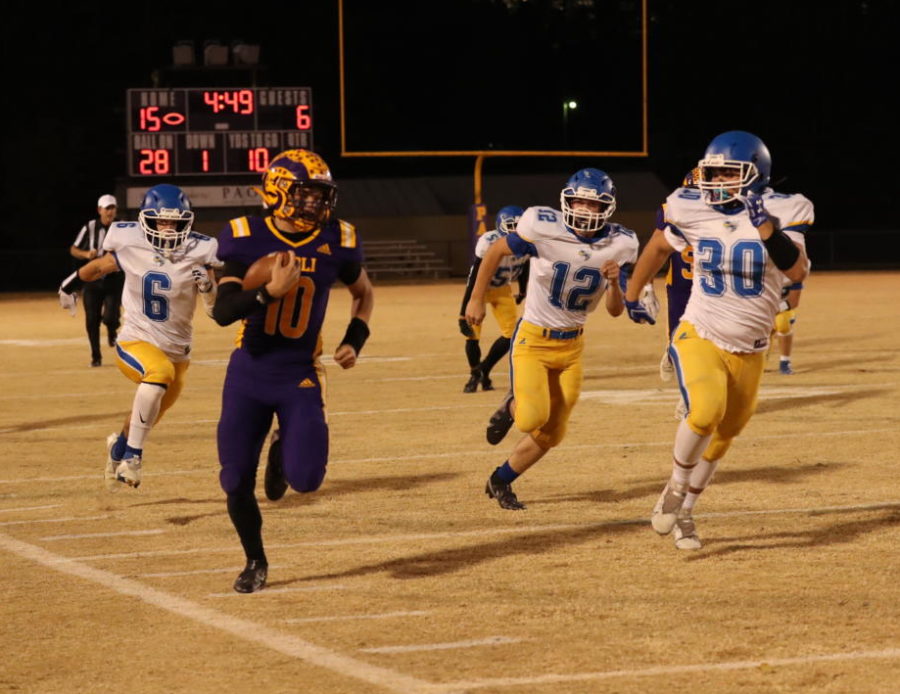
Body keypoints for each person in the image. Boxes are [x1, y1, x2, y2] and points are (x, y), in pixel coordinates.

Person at [623, 130, 812, 550]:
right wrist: (632, 293)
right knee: (705, 410)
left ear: (755, 174)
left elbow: (797, 272)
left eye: (728, 173)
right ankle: (674, 487)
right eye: (713, 173)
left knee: (726, 433)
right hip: (700, 329)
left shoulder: (784, 209)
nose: (716, 182)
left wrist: (767, 230)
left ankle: (687, 513)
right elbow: (657, 247)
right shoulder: (691, 207)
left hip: (752, 346)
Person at [212, 149, 374, 593]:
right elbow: (222, 312)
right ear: (279, 190)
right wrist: (267, 294)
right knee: (234, 478)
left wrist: (353, 339)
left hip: (299, 371)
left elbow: (363, 293)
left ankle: (282, 450)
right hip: (249, 371)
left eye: (322, 197)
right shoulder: (244, 236)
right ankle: (255, 560)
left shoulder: (338, 239)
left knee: (306, 480)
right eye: (306, 196)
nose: (316, 205)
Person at [465, 168, 638, 510]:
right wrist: (475, 297)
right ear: (567, 200)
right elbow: (497, 250)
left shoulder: (622, 243)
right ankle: (510, 407)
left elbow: (616, 311)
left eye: (594, 204)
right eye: (579, 202)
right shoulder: (542, 225)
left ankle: (500, 480)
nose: (586, 210)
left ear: (607, 207)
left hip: (572, 347)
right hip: (533, 339)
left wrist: (617, 283)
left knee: (554, 432)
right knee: (531, 418)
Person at [59, 184, 219, 489]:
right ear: (148, 218)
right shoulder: (130, 242)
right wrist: (68, 284)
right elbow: (99, 267)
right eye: (162, 220)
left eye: (175, 221)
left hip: (177, 351)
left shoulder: (201, 251)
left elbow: (215, 311)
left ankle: (117, 449)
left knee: (146, 415)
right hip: (135, 340)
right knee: (158, 373)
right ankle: (133, 458)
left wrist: (208, 289)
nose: (169, 227)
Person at [457, 205, 529, 392]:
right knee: (472, 335)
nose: (515, 230)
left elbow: (524, 267)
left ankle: (484, 369)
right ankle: (474, 375)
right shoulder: (489, 241)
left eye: (519, 226)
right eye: (512, 225)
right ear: (501, 225)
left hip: (502, 289)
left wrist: (522, 291)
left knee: (511, 334)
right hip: (480, 290)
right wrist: (464, 310)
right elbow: (474, 278)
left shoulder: (527, 242)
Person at [69, 194, 124, 366]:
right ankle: (96, 356)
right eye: (107, 208)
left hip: (114, 279)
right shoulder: (90, 227)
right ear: (99, 210)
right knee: (92, 319)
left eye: (113, 208)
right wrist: (86, 254)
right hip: (93, 280)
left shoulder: (122, 227)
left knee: (110, 317)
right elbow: (73, 249)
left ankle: (111, 329)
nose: (110, 211)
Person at [772, 276, 805, 374]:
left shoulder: (795, 270)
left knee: (782, 324)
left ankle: (785, 361)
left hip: (784, 308)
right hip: (763, 307)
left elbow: (794, 302)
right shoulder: (760, 268)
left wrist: (773, 310)